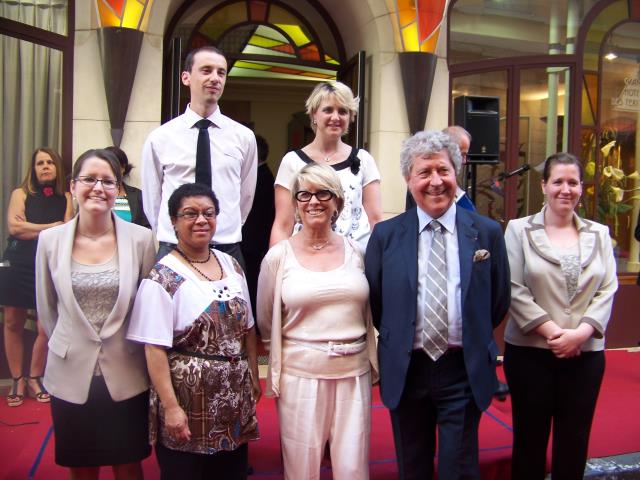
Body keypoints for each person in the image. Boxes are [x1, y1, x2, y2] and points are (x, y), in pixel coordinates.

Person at [365, 130, 510, 479]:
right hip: (407, 368)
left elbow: (498, 299)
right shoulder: (385, 236)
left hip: (463, 368)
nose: (435, 182)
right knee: (412, 467)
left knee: (458, 469)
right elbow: (379, 302)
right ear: (408, 179)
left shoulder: (486, 232)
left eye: (443, 170)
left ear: (455, 172)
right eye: (424, 172)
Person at [35, 148, 156, 479]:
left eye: (107, 181)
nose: (98, 188)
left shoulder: (141, 240)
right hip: (70, 372)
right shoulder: (49, 241)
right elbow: (47, 308)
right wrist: (72, 341)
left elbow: (147, 309)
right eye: (89, 179)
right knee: (82, 467)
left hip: (126, 372)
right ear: (73, 186)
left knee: (128, 464)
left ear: (118, 190)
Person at [127, 183, 261, 480]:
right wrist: (172, 407)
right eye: (190, 213)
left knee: (231, 473)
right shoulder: (162, 277)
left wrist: (252, 375)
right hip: (188, 402)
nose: (201, 220)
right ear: (174, 221)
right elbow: (154, 349)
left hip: (233, 399)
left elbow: (248, 328)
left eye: (208, 213)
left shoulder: (232, 265)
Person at [257, 163, 378, 480]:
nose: (314, 201)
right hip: (301, 378)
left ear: (337, 201)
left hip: (354, 374)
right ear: (295, 203)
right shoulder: (278, 257)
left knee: (353, 469)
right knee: (301, 468)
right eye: (304, 194)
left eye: (323, 192)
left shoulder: (357, 252)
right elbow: (267, 324)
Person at [503, 152, 618, 480]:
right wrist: (555, 333)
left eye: (573, 182)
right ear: (544, 186)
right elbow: (513, 287)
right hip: (530, 356)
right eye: (558, 182)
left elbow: (607, 289)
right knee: (529, 441)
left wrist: (580, 334)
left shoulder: (599, 232)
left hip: (586, 357)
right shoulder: (518, 230)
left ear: (582, 188)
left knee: (575, 440)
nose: (565, 189)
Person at [141, 46, 257, 264]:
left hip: (225, 249)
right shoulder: (160, 138)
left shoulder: (244, 137)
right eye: (206, 70)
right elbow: (152, 200)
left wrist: (222, 229)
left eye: (221, 73)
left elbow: (245, 197)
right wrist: (174, 233)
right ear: (186, 77)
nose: (215, 78)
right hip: (175, 249)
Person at [270, 81, 382, 249]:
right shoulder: (292, 161)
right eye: (328, 110)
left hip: (356, 259)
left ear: (350, 117)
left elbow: (376, 220)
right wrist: (276, 266)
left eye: (343, 111)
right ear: (314, 114)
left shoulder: (364, 159)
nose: (335, 117)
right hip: (305, 256)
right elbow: (283, 224)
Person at [1, 148, 73, 407]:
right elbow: (14, 227)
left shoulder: (66, 197)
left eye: (49, 162)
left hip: (48, 264)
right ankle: (17, 379)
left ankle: (34, 377)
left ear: (57, 167)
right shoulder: (20, 194)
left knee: (45, 327)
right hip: (18, 262)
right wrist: (50, 227)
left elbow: (67, 231)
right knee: (12, 322)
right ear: (33, 169)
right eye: (40, 163)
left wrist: (33, 228)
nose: (44, 166)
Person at [241, 134, 275, 316]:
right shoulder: (261, 175)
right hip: (253, 242)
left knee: (252, 284)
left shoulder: (262, 178)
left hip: (253, 243)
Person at [105, 145, 150, 228]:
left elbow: (146, 228)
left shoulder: (138, 196)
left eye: (114, 166)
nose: (110, 171)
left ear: (123, 168)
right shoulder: (94, 194)